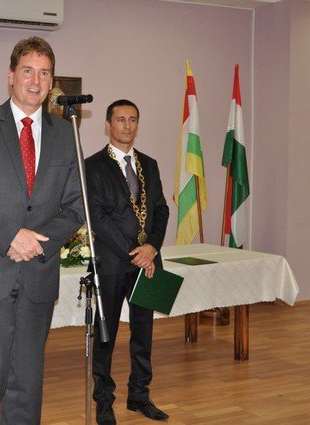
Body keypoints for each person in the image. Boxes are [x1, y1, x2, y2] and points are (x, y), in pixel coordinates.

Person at [0, 36, 84, 425]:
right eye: (27, 71)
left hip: (38, 276)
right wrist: (11, 236)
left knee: (27, 383)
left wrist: (37, 244)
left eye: (44, 73)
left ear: (52, 81)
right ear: (11, 75)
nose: (35, 81)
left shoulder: (66, 134)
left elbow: (76, 206)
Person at [85, 99, 170, 424]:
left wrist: (152, 248)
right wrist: (137, 252)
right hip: (112, 263)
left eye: (133, 119)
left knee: (143, 333)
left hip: (149, 263)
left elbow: (161, 210)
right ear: (108, 125)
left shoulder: (150, 164)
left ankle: (139, 395)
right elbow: (98, 218)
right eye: (120, 119)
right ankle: (104, 402)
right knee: (105, 337)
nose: (127, 125)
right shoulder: (92, 166)